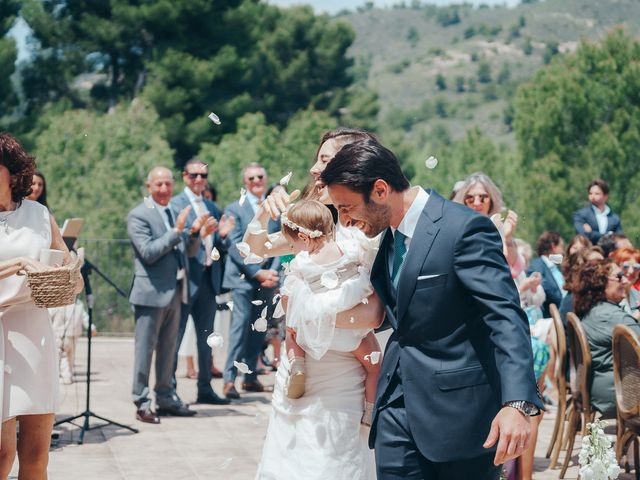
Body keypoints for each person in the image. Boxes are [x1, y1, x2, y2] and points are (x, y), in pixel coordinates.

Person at [321, 139, 542, 480]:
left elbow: (505, 316)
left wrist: (517, 403)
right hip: (396, 410)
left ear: (380, 190)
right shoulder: (387, 236)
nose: (345, 221)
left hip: (461, 416)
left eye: (347, 208)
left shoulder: (464, 229)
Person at [254, 128, 383, 480]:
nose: (313, 168)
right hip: (299, 376)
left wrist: (303, 312)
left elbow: (374, 313)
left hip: (341, 378)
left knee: (331, 464)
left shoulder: (371, 232)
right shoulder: (313, 227)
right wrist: (262, 215)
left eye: (324, 160)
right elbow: (255, 248)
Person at [0, 133, 82, 478]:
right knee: (1, 456)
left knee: (36, 456)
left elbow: (65, 264)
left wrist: (70, 270)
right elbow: (22, 265)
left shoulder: (38, 213)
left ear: (12, 171)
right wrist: (19, 264)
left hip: (34, 333)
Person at [278, 200, 381, 424]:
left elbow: (289, 296)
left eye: (293, 244)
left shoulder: (302, 262)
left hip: (316, 334)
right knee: (375, 366)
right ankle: (371, 410)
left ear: (304, 238)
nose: (294, 249)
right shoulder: (349, 249)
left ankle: (297, 363)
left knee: (290, 328)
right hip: (353, 335)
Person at [127, 166, 204, 423]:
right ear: (149, 186)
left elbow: (187, 253)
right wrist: (176, 231)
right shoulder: (138, 215)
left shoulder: (173, 211)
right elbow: (148, 253)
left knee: (169, 350)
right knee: (145, 351)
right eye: (158, 184)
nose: (163, 189)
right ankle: (142, 401)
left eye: (167, 184)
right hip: (150, 293)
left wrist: (193, 234)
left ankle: (166, 397)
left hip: (175, 291)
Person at [171, 159, 234, 405]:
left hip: (209, 278)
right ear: (184, 176)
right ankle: (170, 390)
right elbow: (177, 240)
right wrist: (197, 233)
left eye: (203, 175)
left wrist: (224, 236)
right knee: (175, 338)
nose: (199, 180)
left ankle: (205, 387)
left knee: (206, 337)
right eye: (194, 175)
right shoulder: (176, 204)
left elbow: (219, 245)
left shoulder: (211, 205)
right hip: (186, 278)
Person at [222, 163, 281, 399]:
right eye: (251, 178)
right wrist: (257, 272)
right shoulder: (234, 208)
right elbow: (235, 245)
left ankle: (250, 376)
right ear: (245, 183)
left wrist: (273, 273)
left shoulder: (275, 209)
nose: (256, 181)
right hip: (243, 279)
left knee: (260, 328)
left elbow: (280, 241)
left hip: (268, 278)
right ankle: (229, 379)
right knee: (240, 328)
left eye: (260, 177)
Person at [573, 259, 639, 418]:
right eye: (619, 276)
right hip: (622, 394)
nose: (625, 280)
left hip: (601, 388)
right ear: (600, 283)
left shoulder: (594, 310)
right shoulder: (613, 317)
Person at [452, 172, 525, 279]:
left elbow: (515, 269)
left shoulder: (498, 226)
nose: (477, 203)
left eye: (483, 197)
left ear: (491, 199)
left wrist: (508, 238)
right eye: (470, 198)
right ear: (464, 201)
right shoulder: (457, 229)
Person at [527, 231, 566, 318]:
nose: (563, 252)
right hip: (550, 316)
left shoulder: (556, 267)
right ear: (553, 247)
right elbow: (542, 286)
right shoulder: (537, 264)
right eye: (562, 247)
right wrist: (565, 302)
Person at [573, 178, 623, 244]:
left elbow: (620, 238)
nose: (592, 196)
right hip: (589, 252)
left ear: (605, 196)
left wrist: (591, 233)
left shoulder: (614, 218)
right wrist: (609, 234)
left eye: (597, 194)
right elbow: (583, 235)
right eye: (590, 193)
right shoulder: (580, 215)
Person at [609, 247, 640, 319]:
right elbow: (621, 326)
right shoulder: (612, 296)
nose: (631, 271)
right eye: (626, 266)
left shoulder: (637, 294)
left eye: (636, 267)